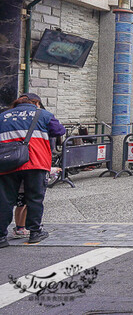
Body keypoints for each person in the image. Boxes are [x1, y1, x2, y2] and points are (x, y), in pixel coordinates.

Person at [0, 93, 66, 246]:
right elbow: (60, 131)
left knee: (5, 200)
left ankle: (1, 236)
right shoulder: (43, 114)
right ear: (36, 103)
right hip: (35, 162)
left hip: (6, 163)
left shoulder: (3, 116)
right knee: (34, 198)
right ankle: (35, 232)